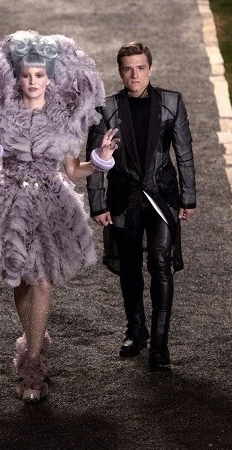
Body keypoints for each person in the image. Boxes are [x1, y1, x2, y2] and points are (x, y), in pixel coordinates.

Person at [0, 30, 118, 404]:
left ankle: (32, 366)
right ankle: (33, 338)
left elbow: (73, 171)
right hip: (9, 202)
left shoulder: (64, 118)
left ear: (50, 77)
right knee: (20, 281)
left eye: (39, 75)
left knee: (43, 282)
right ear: (17, 78)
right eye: (26, 75)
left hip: (50, 204)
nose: (33, 81)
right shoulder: (1, 115)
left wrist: (100, 159)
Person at [86, 42, 196, 370]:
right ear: (120, 72)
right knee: (130, 266)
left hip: (162, 196)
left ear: (150, 69)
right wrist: (97, 203)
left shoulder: (172, 102)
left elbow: (184, 152)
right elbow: (95, 158)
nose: (135, 75)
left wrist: (188, 197)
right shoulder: (105, 107)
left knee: (161, 264)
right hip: (123, 198)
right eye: (128, 69)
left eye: (140, 68)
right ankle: (136, 331)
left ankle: (160, 344)